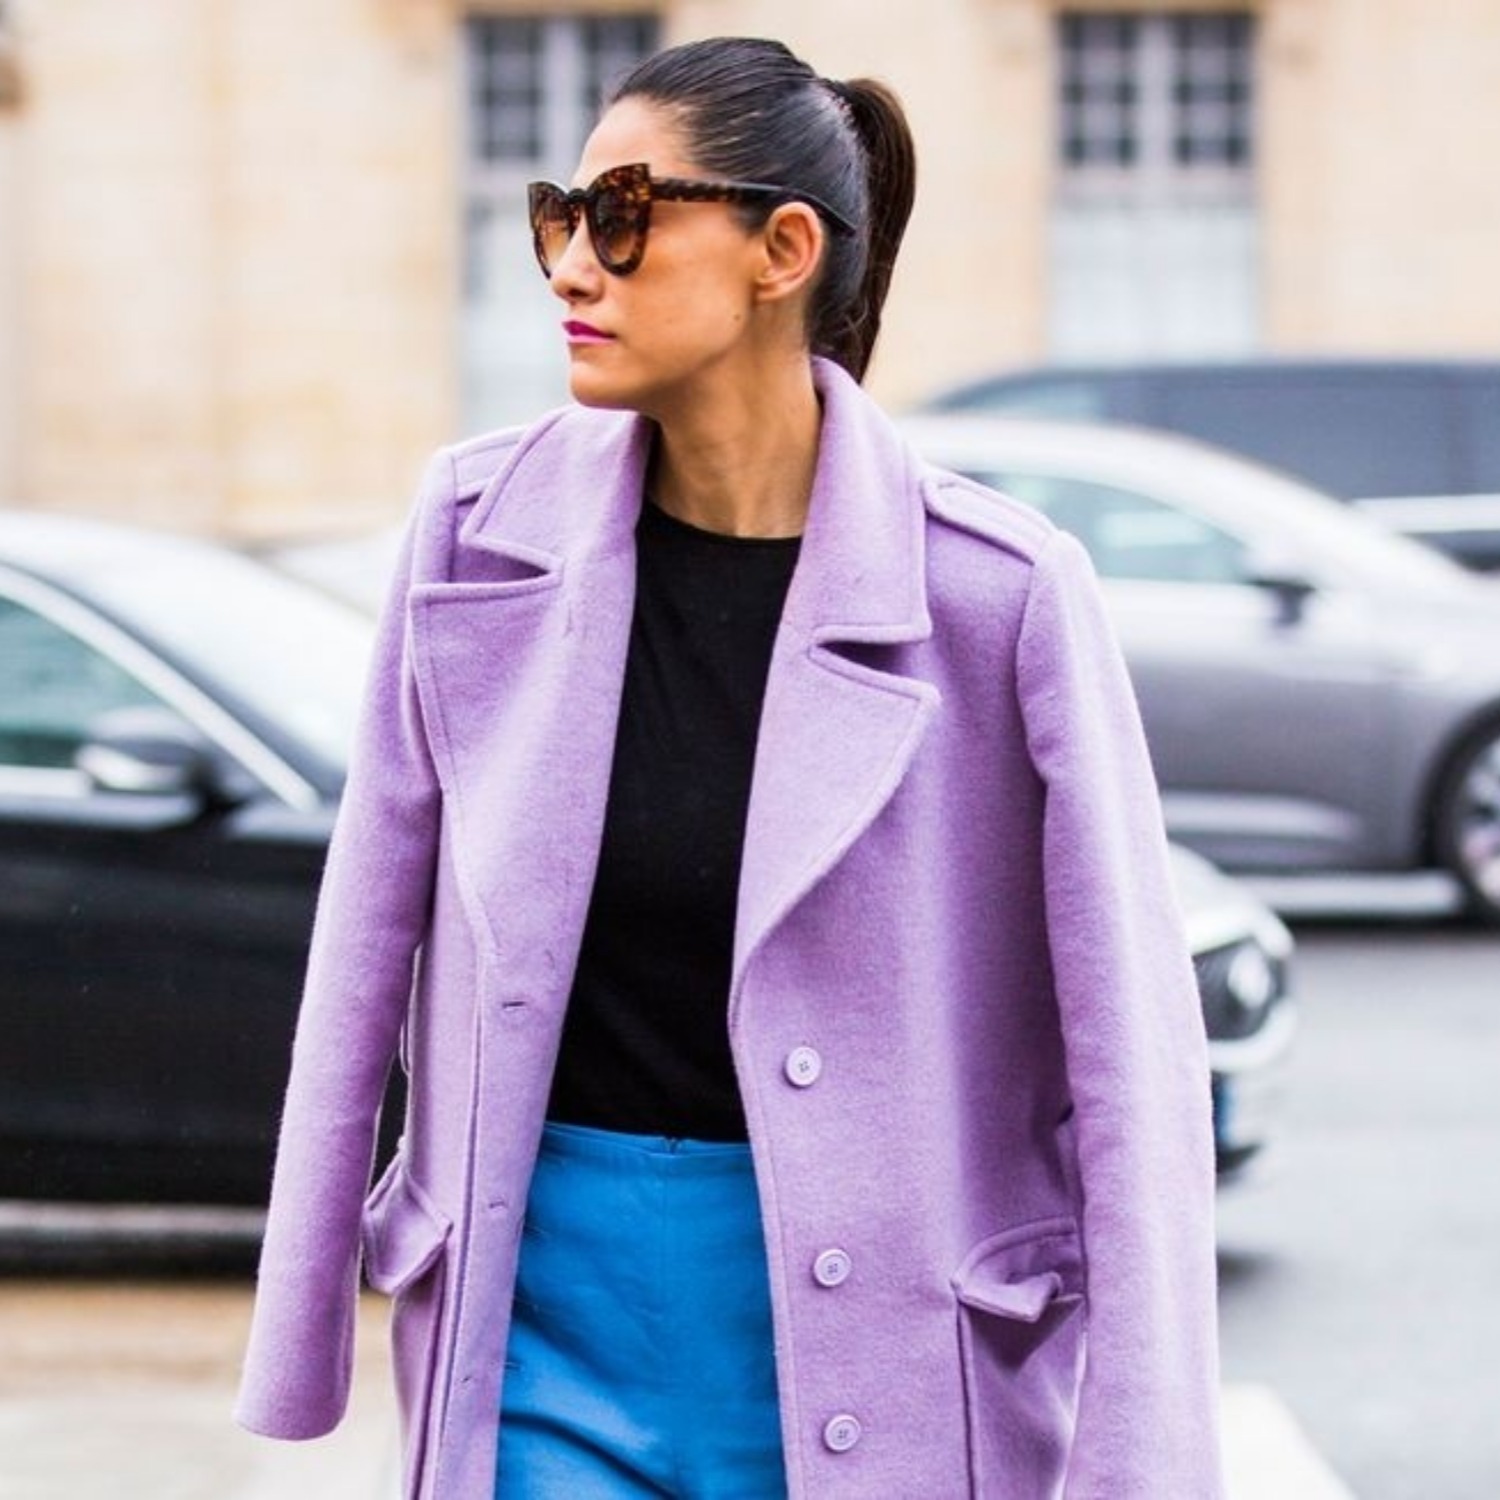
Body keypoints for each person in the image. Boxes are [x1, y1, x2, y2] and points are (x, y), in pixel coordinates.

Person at [235, 34, 1225, 1500]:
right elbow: (362, 946)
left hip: (889, 1363)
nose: (574, 265)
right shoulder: (473, 536)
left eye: (623, 216)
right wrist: (301, 1311)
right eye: (559, 218)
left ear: (783, 251)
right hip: (535, 1337)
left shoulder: (1001, 596)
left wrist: (1138, 1461)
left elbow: (1131, 1063)